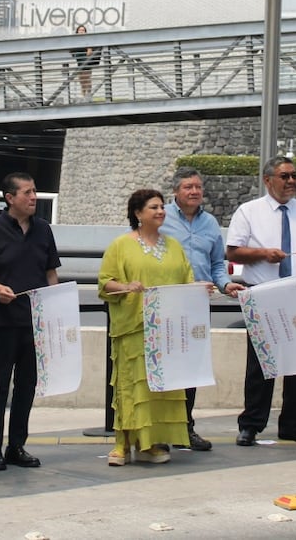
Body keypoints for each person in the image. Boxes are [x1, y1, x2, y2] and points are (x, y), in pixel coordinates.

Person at [227, 156, 296, 446]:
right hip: (264, 290)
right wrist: (263, 254)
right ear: (268, 180)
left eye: (294, 176)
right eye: (285, 176)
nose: (291, 181)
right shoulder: (249, 211)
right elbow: (232, 252)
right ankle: (251, 425)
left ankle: (293, 425)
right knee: (261, 362)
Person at [98, 189, 195, 466]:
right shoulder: (121, 245)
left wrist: (202, 289)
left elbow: (187, 280)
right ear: (138, 213)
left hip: (166, 331)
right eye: (153, 207)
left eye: (162, 206)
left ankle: (148, 444)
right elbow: (105, 282)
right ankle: (121, 444)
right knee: (130, 387)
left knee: (158, 390)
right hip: (134, 326)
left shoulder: (174, 246)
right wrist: (127, 286)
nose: (160, 211)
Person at [159, 167, 245, 452]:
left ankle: (185, 427)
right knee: (163, 366)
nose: (194, 191)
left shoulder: (209, 223)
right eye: (188, 187)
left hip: (197, 305)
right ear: (175, 191)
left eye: (198, 187)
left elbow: (217, 264)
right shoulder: (160, 218)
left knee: (191, 369)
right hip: (166, 303)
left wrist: (225, 284)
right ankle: (159, 430)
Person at [0, 172, 61, 471]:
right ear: (9, 198)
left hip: (35, 323)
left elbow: (51, 271)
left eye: (35, 191)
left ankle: (17, 445)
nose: (33, 197)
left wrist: (56, 307)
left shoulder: (43, 229)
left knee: (27, 385)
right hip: (2, 321)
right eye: (26, 192)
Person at [71, 24, 100, 97]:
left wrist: (89, 49)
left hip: (86, 62)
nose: (81, 31)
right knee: (82, 80)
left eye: (83, 30)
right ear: (77, 32)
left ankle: (88, 95)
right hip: (80, 63)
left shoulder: (87, 40)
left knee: (87, 78)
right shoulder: (74, 41)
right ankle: (84, 95)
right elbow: (72, 52)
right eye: (80, 30)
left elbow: (89, 52)